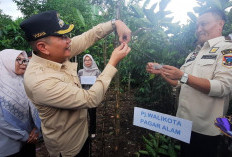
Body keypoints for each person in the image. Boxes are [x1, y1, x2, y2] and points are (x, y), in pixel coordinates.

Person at [20, 10, 131, 157]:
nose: (69, 41)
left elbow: (87, 37)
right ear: (43, 47)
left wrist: (114, 23)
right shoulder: (40, 81)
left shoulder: (55, 53)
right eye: (62, 36)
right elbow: (90, 99)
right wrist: (112, 63)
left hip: (82, 133)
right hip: (68, 148)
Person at [146, 8, 232, 157]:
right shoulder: (194, 53)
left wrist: (183, 76)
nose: (199, 30)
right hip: (184, 124)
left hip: (205, 129)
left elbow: (223, 87)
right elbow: (179, 83)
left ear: (220, 24)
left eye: (203, 24)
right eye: (197, 26)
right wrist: (161, 71)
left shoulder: (227, 49)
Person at [0, 49, 41, 157]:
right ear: (6, 61)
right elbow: (2, 122)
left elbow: (35, 108)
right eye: (18, 60)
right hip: (9, 147)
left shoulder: (25, 81)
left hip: (30, 139)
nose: (23, 64)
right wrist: (25, 136)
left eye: (25, 60)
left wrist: (36, 128)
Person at [78, 54, 101, 139]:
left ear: (92, 61)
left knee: (92, 114)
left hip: (92, 95)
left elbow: (100, 82)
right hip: (83, 94)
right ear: (84, 61)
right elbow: (77, 82)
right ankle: (82, 132)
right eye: (86, 60)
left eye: (89, 60)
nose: (87, 62)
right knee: (82, 115)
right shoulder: (80, 71)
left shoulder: (96, 71)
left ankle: (92, 132)